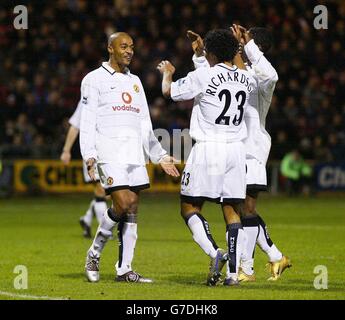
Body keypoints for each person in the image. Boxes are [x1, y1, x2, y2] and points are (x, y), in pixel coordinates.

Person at [186, 25, 291, 282]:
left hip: (250, 150)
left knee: (244, 208)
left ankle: (248, 268)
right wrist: (202, 55)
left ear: (255, 46)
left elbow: (272, 75)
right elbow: (208, 82)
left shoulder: (259, 77)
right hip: (232, 150)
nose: (239, 45)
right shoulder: (236, 74)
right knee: (239, 208)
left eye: (244, 42)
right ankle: (271, 258)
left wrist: (246, 46)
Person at [158, 29, 255, 286]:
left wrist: (167, 72)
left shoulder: (203, 74)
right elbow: (227, 69)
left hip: (208, 148)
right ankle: (234, 275)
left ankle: (215, 253)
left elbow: (169, 92)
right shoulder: (247, 78)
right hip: (236, 148)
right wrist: (204, 54)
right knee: (232, 209)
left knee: (189, 206)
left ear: (210, 53)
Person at [80, 32, 179, 283]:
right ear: (110, 48)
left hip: (134, 153)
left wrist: (160, 156)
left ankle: (125, 269)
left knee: (132, 208)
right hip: (109, 152)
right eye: (123, 46)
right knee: (122, 203)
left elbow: (144, 123)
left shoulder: (135, 81)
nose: (129, 51)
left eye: (132, 47)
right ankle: (94, 252)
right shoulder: (93, 79)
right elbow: (88, 119)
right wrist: (89, 155)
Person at [60, 101, 107, 238]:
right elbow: (75, 125)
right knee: (101, 189)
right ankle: (104, 230)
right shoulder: (88, 98)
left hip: (112, 150)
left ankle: (87, 219)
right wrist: (66, 150)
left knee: (109, 193)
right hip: (93, 152)